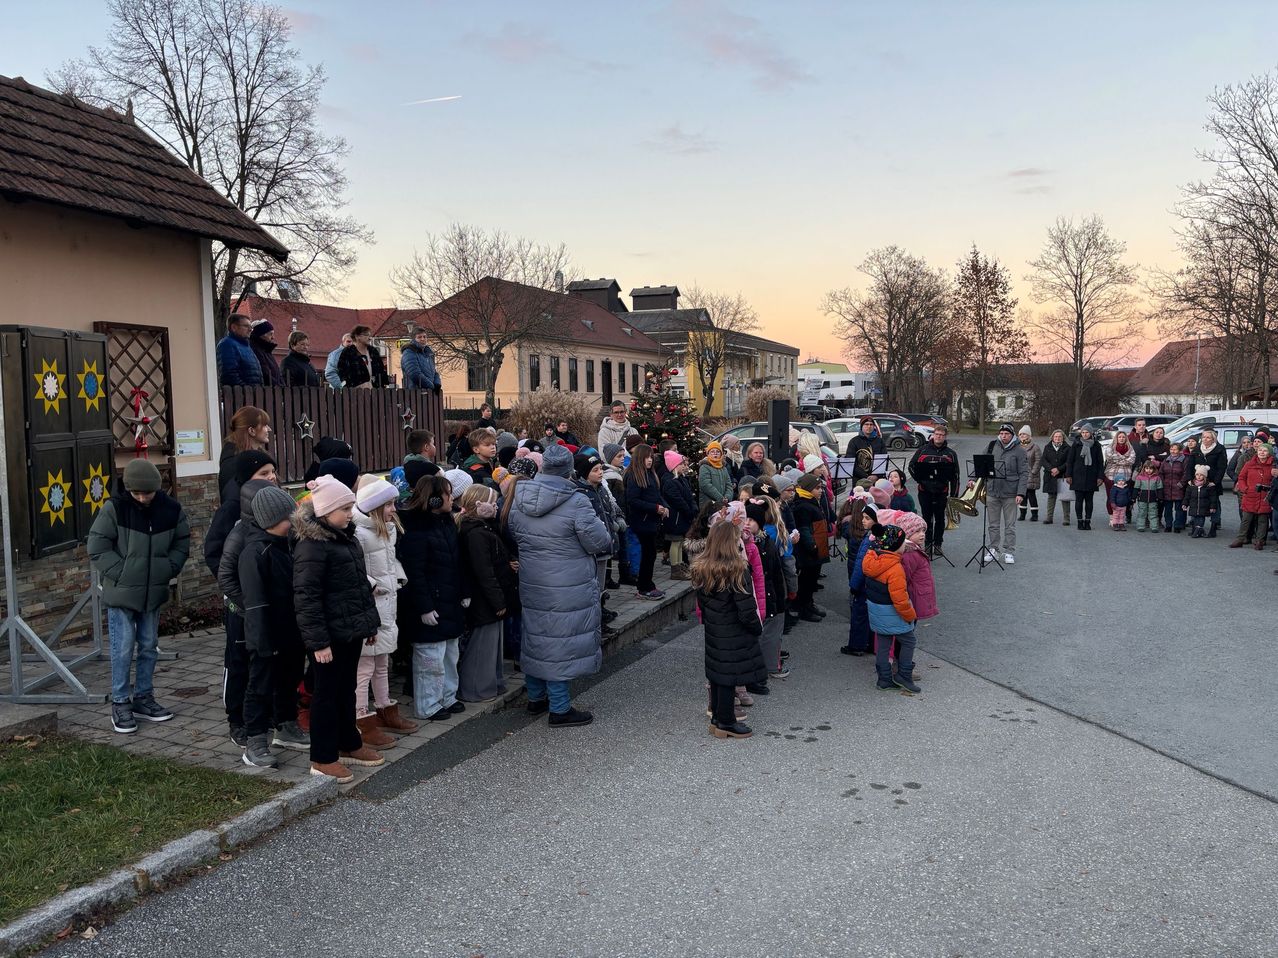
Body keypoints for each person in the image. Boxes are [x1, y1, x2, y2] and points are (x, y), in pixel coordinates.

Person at [507, 442, 613, 727]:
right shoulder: (576, 500)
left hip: (532, 579)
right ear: (568, 469)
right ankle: (560, 708)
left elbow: (515, 533)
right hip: (568, 582)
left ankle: (536, 697)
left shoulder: (520, 497)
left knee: (537, 636)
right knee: (559, 642)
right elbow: (599, 541)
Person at [293, 475, 386, 782]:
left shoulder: (345, 538)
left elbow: (359, 587)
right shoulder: (312, 547)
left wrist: (368, 624)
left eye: (350, 506)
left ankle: (349, 742)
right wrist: (318, 643)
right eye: (344, 508)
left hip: (351, 630)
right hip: (328, 637)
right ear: (324, 511)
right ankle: (322, 756)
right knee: (326, 694)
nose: (350, 513)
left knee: (346, 688)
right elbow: (307, 599)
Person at [87, 459, 191, 734]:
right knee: (122, 648)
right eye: (137, 493)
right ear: (128, 489)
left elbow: (182, 542)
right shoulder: (114, 509)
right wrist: (122, 573)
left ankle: (144, 697)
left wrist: (167, 569)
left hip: (153, 592)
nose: (143, 498)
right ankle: (120, 702)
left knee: (148, 645)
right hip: (121, 593)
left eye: (148, 493)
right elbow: (97, 546)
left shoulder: (171, 510)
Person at [236, 485, 305, 767]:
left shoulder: (287, 545)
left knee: (289, 679)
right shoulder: (255, 553)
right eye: (290, 517)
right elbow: (255, 602)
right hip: (265, 633)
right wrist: (262, 640)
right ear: (274, 521)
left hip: (291, 629)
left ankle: (286, 724)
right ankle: (254, 740)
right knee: (260, 685)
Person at [397, 474, 468, 721]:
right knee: (431, 658)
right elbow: (415, 572)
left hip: (449, 599)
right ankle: (428, 704)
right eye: (449, 494)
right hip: (431, 602)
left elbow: (457, 561)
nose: (452, 499)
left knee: (450, 653)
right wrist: (424, 607)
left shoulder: (446, 522)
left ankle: (448, 696)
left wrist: (463, 591)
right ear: (436, 499)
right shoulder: (416, 529)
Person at [351, 477, 414, 748]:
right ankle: (362, 717)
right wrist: (374, 585)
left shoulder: (387, 530)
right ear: (375, 506)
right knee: (364, 667)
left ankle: (386, 708)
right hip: (370, 607)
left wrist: (397, 578)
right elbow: (355, 570)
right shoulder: (360, 534)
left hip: (388, 605)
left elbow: (390, 561)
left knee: (382, 663)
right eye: (388, 504)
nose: (394, 509)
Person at [693, 521, 766, 740]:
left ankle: (717, 716)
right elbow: (746, 608)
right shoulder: (737, 570)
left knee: (717, 672)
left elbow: (702, 603)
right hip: (734, 630)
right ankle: (726, 721)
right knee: (729, 675)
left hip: (715, 628)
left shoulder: (702, 567)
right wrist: (755, 627)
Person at [457, 483, 518, 701]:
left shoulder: (485, 527)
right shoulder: (475, 534)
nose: (495, 506)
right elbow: (484, 572)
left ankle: (491, 683)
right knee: (482, 647)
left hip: (492, 597)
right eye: (492, 502)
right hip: (486, 600)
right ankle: (476, 688)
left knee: (492, 646)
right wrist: (498, 601)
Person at [861, 523, 919, 694]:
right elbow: (900, 599)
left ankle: (884, 679)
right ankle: (904, 676)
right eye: (902, 543)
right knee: (909, 641)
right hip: (892, 613)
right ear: (895, 545)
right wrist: (910, 615)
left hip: (877, 612)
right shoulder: (895, 569)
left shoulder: (871, 559)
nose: (904, 545)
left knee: (884, 644)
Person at [745, 498, 787, 680]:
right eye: (745, 519)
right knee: (765, 632)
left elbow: (776, 571)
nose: (747, 523)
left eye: (751, 520)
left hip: (770, 592)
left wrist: (781, 595)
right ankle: (767, 666)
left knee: (771, 631)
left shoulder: (766, 542)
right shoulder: (747, 545)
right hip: (756, 594)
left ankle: (769, 664)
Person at [976, 424, 1028, 564]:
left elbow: (1024, 473)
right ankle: (994, 549)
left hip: (1010, 493)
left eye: (1006, 433)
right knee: (993, 524)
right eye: (1002, 433)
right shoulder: (992, 446)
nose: (1003, 436)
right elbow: (981, 464)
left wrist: (1021, 493)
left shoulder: (1019, 450)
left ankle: (1009, 551)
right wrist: (972, 480)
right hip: (993, 491)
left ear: (1012, 435)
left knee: (1010, 524)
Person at [624, 443, 670, 599]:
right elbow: (633, 500)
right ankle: (644, 587)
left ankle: (648, 584)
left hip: (651, 521)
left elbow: (656, 495)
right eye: (646, 458)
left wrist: (664, 506)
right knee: (648, 555)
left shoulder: (650, 474)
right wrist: (655, 508)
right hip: (642, 521)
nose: (650, 460)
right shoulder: (634, 476)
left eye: (651, 457)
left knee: (650, 555)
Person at [907, 424, 959, 553]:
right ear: (933, 435)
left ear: (945, 436)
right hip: (925, 491)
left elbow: (955, 476)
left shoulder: (951, 454)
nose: (938, 437)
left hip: (942, 492)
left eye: (941, 435)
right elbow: (911, 466)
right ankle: (927, 543)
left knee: (940, 518)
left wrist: (954, 495)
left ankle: (938, 544)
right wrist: (920, 480)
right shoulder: (923, 450)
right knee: (926, 518)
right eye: (937, 434)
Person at [791, 473, 829, 621]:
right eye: (817, 488)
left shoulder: (812, 501)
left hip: (817, 547)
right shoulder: (803, 506)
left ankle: (809, 603)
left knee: (812, 579)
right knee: (806, 580)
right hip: (810, 550)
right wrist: (811, 544)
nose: (821, 491)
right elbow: (804, 528)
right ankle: (803, 608)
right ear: (808, 489)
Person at [840, 497, 875, 656]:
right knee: (871, 615)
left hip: (862, 585)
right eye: (862, 517)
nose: (863, 521)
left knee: (859, 615)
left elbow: (860, 566)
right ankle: (871, 643)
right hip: (873, 586)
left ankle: (856, 646)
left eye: (867, 518)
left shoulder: (868, 539)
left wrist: (853, 586)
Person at [217, 406, 272, 503]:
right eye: (265, 425)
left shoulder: (255, 456)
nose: (269, 429)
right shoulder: (234, 464)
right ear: (251, 430)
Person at [660, 451, 697, 580]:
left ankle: (680, 565)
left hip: (682, 517)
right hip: (675, 518)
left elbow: (688, 497)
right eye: (681, 464)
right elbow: (677, 500)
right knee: (675, 542)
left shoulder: (682, 479)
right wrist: (688, 510)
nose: (684, 466)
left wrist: (692, 509)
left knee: (680, 542)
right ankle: (675, 568)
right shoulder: (670, 481)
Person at [1232, 442, 1274, 549]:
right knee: (1246, 519)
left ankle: (1259, 541)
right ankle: (1240, 539)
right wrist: (1244, 488)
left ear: (1269, 453)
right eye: (1260, 450)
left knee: (1262, 520)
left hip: (1265, 496)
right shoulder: (1249, 464)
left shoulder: (1273, 466)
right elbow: (1241, 477)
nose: (1262, 453)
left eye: (1265, 451)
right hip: (1250, 495)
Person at [1065, 425, 1104, 530]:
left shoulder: (1096, 445)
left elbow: (1100, 462)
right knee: (1078, 500)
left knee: (1089, 501)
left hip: (1092, 476)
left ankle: (1087, 521)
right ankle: (1079, 521)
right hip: (1077, 476)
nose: (1085, 434)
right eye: (1083, 432)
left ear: (1091, 433)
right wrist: (1068, 475)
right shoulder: (1076, 444)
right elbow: (1070, 461)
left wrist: (1100, 477)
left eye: (1087, 432)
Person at [1190, 428, 1228, 538]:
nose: (1205, 439)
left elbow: (1222, 467)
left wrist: (1215, 482)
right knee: (1196, 502)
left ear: (1213, 439)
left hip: (1212, 482)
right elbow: (1190, 465)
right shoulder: (1197, 449)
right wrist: (1190, 478)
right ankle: (1197, 527)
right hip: (1198, 480)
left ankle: (1214, 526)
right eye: (1203, 437)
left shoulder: (1219, 449)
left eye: (1208, 437)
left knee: (1214, 503)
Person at [216, 313, 263, 387]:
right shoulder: (227, 344)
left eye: (251, 327)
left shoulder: (246, 346)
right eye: (246, 326)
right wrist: (246, 390)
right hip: (240, 395)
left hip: (253, 394)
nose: (250, 330)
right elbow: (229, 374)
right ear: (234, 327)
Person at [1040, 429, 1072, 526]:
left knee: (1065, 498)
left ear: (1063, 438)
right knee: (1051, 496)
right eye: (1056, 436)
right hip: (1050, 475)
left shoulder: (1068, 448)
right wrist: (1051, 469)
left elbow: (1069, 462)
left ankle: (1066, 518)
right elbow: (1043, 460)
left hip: (1062, 475)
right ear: (1052, 438)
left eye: (1060, 437)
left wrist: (1059, 469)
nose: (1057, 438)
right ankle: (1049, 517)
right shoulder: (1047, 447)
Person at [1104, 431, 1136, 519]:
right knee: (1111, 496)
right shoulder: (1110, 447)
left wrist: (1118, 459)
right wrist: (1125, 460)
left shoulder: (1130, 448)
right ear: (1116, 438)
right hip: (1111, 476)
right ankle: (1112, 516)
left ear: (1126, 438)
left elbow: (1132, 460)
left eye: (1123, 437)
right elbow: (1110, 458)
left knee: (1123, 497)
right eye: (1119, 437)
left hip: (1125, 476)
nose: (1121, 439)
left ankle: (1121, 517)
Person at [401, 326, 442, 393]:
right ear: (414, 339)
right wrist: (431, 386)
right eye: (419, 337)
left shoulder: (428, 354)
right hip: (415, 393)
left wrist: (437, 384)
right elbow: (414, 373)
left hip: (428, 393)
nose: (423, 339)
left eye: (424, 337)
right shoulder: (409, 352)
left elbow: (434, 372)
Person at [1159, 442, 1189, 533]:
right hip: (1167, 488)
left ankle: (1177, 526)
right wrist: (1163, 483)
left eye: (1175, 449)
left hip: (1178, 488)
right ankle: (1168, 525)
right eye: (1171, 449)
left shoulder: (1184, 460)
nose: (1173, 451)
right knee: (1168, 509)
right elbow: (1161, 472)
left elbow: (1186, 473)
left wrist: (1181, 483)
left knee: (1179, 509)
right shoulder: (1166, 460)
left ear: (1180, 451)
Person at [845, 417, 885, 483]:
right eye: (866, 424)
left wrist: (877, 475)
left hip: (877, 480)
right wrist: (866, 476)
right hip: (859, 479)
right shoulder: (854, 441)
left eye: (871, 424)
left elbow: (883, 460)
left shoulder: (880, 441)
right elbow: (851, 462)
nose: (869, 426)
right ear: (861, 426)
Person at [1184, 465, 1219, 538]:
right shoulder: (1191, 485)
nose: (1199, 476)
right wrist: (1185, 504)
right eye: (1197, 474)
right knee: (1194, 519)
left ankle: (1197, 531)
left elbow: (1213, 498)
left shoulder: (1208, 486)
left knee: (1201, 518)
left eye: (1201, 475)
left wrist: (1212, 507)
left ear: (1205, 476)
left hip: (1204, 506)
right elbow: (1187, 496)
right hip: (1194, 506)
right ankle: (1199, 530)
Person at [1132, 457, 1164, 533]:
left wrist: (1160, 498)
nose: (1148, 470)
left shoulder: (1157, 478)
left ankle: (1154, 527)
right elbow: (1136, 488)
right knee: (1142, 513)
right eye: (1147, 468)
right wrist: (1133, 498)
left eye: (1150, 469)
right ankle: (1140, 526)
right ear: (1144, 468)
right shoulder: (1140, 477)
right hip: (1142, 498)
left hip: (1153, 499)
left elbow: (1160, 488)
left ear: (1154, 469)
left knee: (1153, 513)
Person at [698, 441, 734, 508]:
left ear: (721, 454)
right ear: (708, 454)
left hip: (723, 504)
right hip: (709, 504)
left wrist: (727, 497)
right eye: (712, 452)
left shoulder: (724, 468)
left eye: (717, 451)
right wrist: (720, 498)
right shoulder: (704, 467)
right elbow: (705, 485)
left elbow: (729, 485)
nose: (715, 454)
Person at [1017, 425, 1042, 521]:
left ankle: (1034, 515)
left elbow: (1038, 460)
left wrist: (1033, 471)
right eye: (1020, 434)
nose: (1022, 435)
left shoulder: (1035, 447)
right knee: (1022, 494)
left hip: (1031, 474)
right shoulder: (1017, 446)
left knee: (1031, 494)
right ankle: (1022, 514)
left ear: (1029, 435)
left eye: (1024, 434)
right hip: (1020, 474)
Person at [248, 320, 283, 386]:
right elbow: (264, 372)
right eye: (270, 334)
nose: (273, 337)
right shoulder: (255, 350)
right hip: (266, 390)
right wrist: (279, 386)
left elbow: (277, 373)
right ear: (261, 334)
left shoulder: (267, 350)